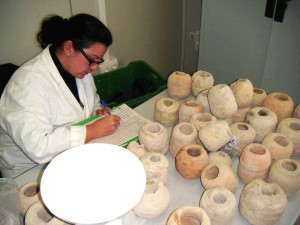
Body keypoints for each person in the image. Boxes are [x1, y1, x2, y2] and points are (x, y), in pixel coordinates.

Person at [0, 14, 121, 178]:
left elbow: (92, 102)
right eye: (92, 60)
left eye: (98, 61)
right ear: (69, 47)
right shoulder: (26, 84)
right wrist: (90, 130)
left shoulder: (79, 69)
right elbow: (38, 147)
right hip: (30, 170)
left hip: (69, 154)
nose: (94, 68)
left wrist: (98, 112)